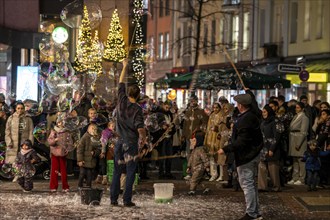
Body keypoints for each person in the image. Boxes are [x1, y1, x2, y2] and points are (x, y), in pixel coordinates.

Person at [218, 92, 263, 220]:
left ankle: (251, 213)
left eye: (238, 104)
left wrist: (225, 149)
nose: (236, 106)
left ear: (241, 105)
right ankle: (255, 212)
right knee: (251, 185)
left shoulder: (246, 119)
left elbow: (242, 141)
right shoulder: (251, 116)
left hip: (246, 156)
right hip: (252, 154)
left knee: (247, 185)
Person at [110, 59, 146, 207]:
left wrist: (124, 66)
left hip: (119, 142)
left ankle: (113, 199)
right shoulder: (137, 109)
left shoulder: (121, 101)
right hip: (131, 143)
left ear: (128, 93)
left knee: (117, 171)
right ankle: (126, 200)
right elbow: (140, 128)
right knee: (130, 171)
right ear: (138, 96)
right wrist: (143, 141)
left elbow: (120, 82)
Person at [258, 105, 282, 192]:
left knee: (273, 168)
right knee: (261, 167)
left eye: (265, 112)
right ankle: (262, 186)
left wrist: (272, 149)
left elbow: (277, 136)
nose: (263, 113)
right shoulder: (263, 122)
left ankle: (276, 186)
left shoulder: (276, 121)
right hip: (263, 148)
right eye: (262, 112)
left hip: (272, 147)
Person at [48, 113, 73, 192]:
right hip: (54, 153)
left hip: (62, 153)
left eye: (62, 122)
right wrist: (54, 141)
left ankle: (65, 186)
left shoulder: (67, 132)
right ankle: (53, 187)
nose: (61, 124)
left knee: (63, 170)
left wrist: (68, 149)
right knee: (54, 170)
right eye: (59, 122)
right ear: (57, 123)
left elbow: (70, 142)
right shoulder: (54, 132)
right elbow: (49, 141)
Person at [287, 102, 309, 185]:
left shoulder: (304, 118)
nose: (296, 109)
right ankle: (295, 177)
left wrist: (299, 143)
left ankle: (301, 178)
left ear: (302, 108)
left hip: (299, 139)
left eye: (298, 107)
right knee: (295, 160)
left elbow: (303, 132)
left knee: (301, 160)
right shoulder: (296, 116)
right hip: (293, 138)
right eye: (296, 107)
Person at [77, 123, 101, 189]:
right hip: (84, 160)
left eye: (95, 129)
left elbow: (99, 149)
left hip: (91, 161)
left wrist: (95, 152)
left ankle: (88, 187)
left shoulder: (96, 138)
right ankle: (80, 186)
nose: (93, 130)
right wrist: (80, 160)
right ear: (88, 129)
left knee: (89, 176)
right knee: (82, 174)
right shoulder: (85, 137)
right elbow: (80, 149)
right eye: (92, 128)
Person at [98, 120, 118, 185]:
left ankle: (99, 178)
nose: (113, 127)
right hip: (105, 149)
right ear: (108, 126)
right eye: (112, 126)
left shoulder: (114, 132)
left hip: (111, 149)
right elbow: (103, 143)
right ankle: (104, 179)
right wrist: (103, 152)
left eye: (114, 126)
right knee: (103, 163)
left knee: (106, 163)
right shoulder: (106, 132)